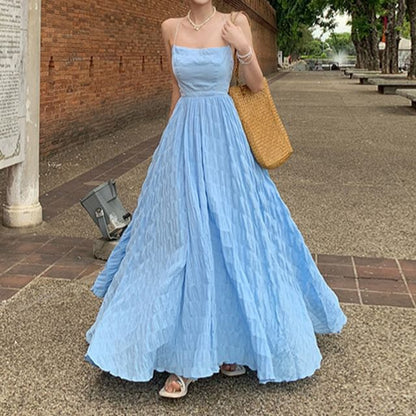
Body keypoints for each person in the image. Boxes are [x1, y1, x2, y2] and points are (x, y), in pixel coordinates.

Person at [84, 0, 347, 400]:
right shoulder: (170, 27)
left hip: (226, 140)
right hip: (183, 139)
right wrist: (166, 150)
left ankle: (231, 344)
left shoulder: (235, 21)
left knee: (235, 236)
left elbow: (256, 85)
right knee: (181, 239)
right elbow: (176, 91)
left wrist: (243, 47)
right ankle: (185, 358)